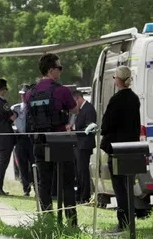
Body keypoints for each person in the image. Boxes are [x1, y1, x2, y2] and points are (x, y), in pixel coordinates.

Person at [25, 53, 78, 226]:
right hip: (59, 141)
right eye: (59, 68)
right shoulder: (61, 90)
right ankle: (71, 222)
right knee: (67, 183)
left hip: (39, 141)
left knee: (44, 183)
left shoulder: (30, 93)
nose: (61, 71)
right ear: (51, 70)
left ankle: (47, 221)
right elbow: (75, 109)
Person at [100, 65, 141, 232]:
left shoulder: (116, 99)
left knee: (119, 187)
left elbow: (106, 125)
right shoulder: (134, 98)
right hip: (131, 147)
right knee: (128, 185)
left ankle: (123, 222)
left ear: (118, 80)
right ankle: (130, 219)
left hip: (117, 148)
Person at [72, 88, 97, 204]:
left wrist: (74, 129)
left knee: (83, 171)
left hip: (84, 144)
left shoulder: (89, 109)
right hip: (78, 144)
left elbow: (90, 127)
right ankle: (79, 194)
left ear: (78, 98)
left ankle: (85, 195)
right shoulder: (80, 110)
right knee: (78, 171)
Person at [11, 84, 34, 196]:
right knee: (22, 164)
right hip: (20, 138)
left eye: (25, 94)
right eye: (21, 94)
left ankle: (36, 186)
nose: (23, 96)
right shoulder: (15, 108)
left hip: (32, 138)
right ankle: (26, 188)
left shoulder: (34, 107)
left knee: (34, 163)